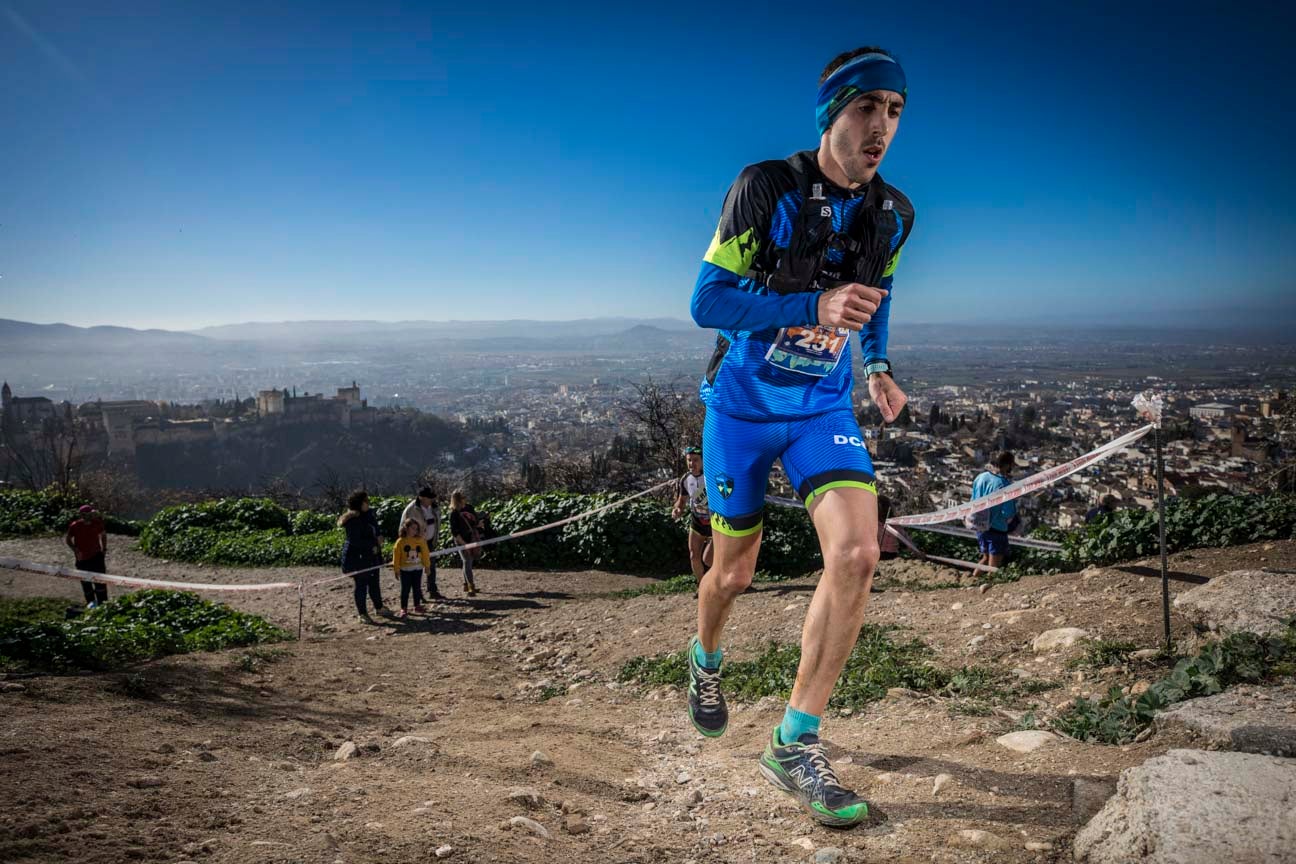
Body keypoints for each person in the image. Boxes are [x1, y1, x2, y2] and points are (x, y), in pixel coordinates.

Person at [685, 46, 915, 828]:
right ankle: (705, 659)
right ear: (830, 112)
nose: (881, 126)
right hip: (741, 410)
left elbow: (878, 293)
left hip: (821, 409)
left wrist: (877, 364)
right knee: (733, 574)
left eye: (894, 110)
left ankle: (794, 741)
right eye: (866, 106)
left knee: (858, 554)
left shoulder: (895, 214)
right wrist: (810, 306)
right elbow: (707, 301)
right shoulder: (766, 188)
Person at [338, 490, 390, 622]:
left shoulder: (369, 515)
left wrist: (379, 538)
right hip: (358, 558)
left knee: (374, 583)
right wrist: (374, 542)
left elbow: (375, 530)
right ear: (359, 503)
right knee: (361, 585)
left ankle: (379, 607)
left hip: (372, 556)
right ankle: (362, 613)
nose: (368, 503)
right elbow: (355, 541)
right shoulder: (352, 520)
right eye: (366, 501)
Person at [671, 446, 714, 583]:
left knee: (708, 559)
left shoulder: (711, 476)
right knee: (693, 556)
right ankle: (702, 586)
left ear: (703, 461)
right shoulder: (685, 479)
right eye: (689, 460)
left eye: (695, 460)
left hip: (715, 523)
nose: (691, 464)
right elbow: (681, 501)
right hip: (697, 522)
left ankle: (727, 581)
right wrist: (677, 509)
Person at [971, 451, 1020, 569]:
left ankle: (971, 579)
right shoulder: (1004, 484)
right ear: (1007, 465)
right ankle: (986, 581)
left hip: (980, 525)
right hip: (996, 528)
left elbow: (973, 499)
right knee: (993, 566)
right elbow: (1008, 512)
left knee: (985, 558)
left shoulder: (980, 477)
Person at [401, 486, 443, 601]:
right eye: (429, 498)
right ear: (421, 497)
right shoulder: (411, 509)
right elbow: (404, 526)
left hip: (430, 541)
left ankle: (432, 590)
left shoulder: (434, 507)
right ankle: (418, 594)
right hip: (416, 544)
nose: (431, 500)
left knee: (431, 566)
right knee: (417, 568)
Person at [64, 504, 108, 607]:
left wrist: (104, 549)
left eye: (90, 514)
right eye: (86, 514)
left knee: (100, 583)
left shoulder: (97, 523)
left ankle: (103, 605)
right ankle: (91, 605)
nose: (89, 516)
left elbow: (103, 535)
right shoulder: (75, 526)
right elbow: (68, 539)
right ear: (82, 515)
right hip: (82, 560)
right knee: (86, 584)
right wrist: (75, 550)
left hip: (96, 557)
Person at [392, 517, 430, 617]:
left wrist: (427, 566)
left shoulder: (420, 540)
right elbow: (396, 557)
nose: (415, 531)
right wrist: (396, 570)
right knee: (405, 589)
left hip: (418, 569)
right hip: (405, 570)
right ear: (406, 528)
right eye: (413, 528)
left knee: (417, 588)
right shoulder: (400, 542)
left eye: (416, 529)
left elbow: (425, 554)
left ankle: (417, 605)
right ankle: (403, 608)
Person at [448, 490, 478, 597]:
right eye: (463, 497)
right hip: (461, 540)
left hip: (471, 538)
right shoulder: (453, 514)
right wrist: (464, 544)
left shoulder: (469, 508)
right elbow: (455, 532)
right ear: (458, 500)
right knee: (467, 561)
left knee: (468, 562)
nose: (465, 499)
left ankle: (466, 584)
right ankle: (471, 586)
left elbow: (475, 521)